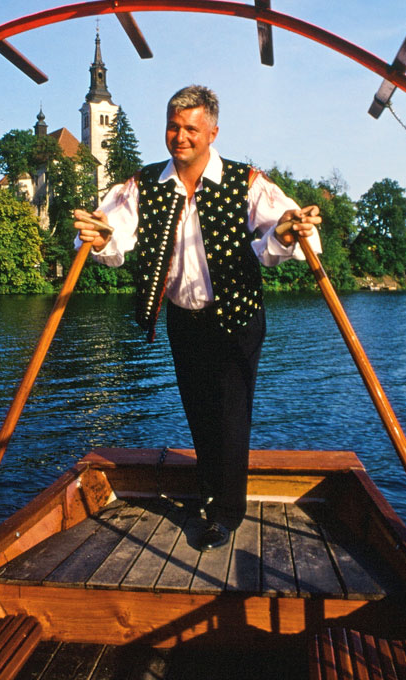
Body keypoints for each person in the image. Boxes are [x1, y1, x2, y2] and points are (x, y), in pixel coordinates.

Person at [74, 85, 322, 550]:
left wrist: (288, 231)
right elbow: (113, 234)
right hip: (184, 320)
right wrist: (99, 233)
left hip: (237, 317)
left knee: (230, 414)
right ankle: (212, 494)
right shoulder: (143, 185)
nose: (180, 136)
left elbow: (282, 228)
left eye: (191, 128)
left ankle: (224, 514)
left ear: (212, 131)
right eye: (174, 126)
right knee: (201, 414)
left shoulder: (245, 182)